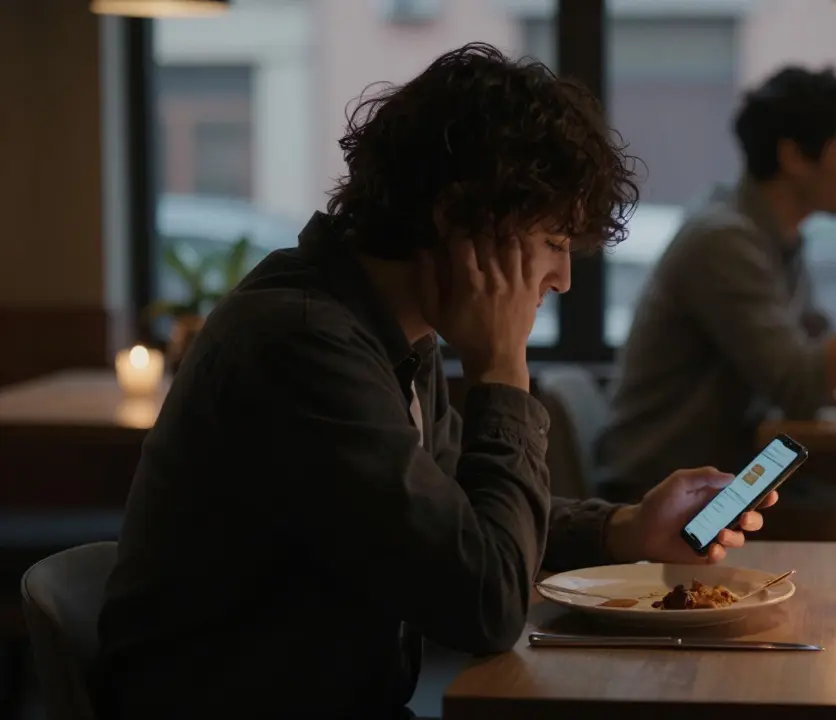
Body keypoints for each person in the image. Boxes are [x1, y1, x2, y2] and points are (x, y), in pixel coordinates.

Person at [93, 44, 777, 720]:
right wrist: (502, 370)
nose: (563, 280)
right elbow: (483, 604)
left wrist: (624, 530)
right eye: (556, 245)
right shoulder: (301, 343)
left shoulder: (386, 332)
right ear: (460, 221)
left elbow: (454, 516)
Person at [599, 67, 836, 501]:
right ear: (795, 158)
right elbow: (803, 386)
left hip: (728, 477)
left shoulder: (774, 235)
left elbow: (815, 346)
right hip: (665, 493)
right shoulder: (724, 241)